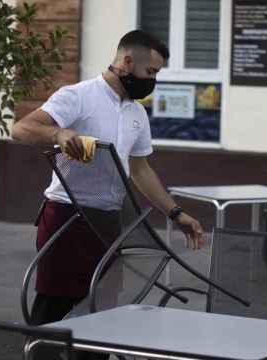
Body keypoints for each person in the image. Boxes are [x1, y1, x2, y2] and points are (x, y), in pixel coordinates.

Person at [12, 30, 204, 326]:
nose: (152, 80)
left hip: (109, 223)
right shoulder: (77, 96)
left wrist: (175, 213)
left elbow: (140, 169)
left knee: (103, 310)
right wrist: (58, 133)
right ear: (127, 62)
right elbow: (21, 129)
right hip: (66, 218)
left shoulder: (137, 112)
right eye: (150, 72)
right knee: (55, 311)